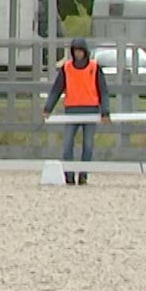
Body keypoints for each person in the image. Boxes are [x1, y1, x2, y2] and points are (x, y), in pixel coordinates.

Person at [42, 36, 110, 185]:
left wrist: (105, 111)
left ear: (85, 52)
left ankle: (83, 174)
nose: (78, 54)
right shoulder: (66, 69)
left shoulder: (94, 67)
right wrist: (48, 108)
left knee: (88, 145)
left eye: (80, 51)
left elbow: (103, 91)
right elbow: (56, 90)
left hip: (91, 111)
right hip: (72, 111)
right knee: (67, 144)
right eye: (75, 51)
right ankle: (69, 174)